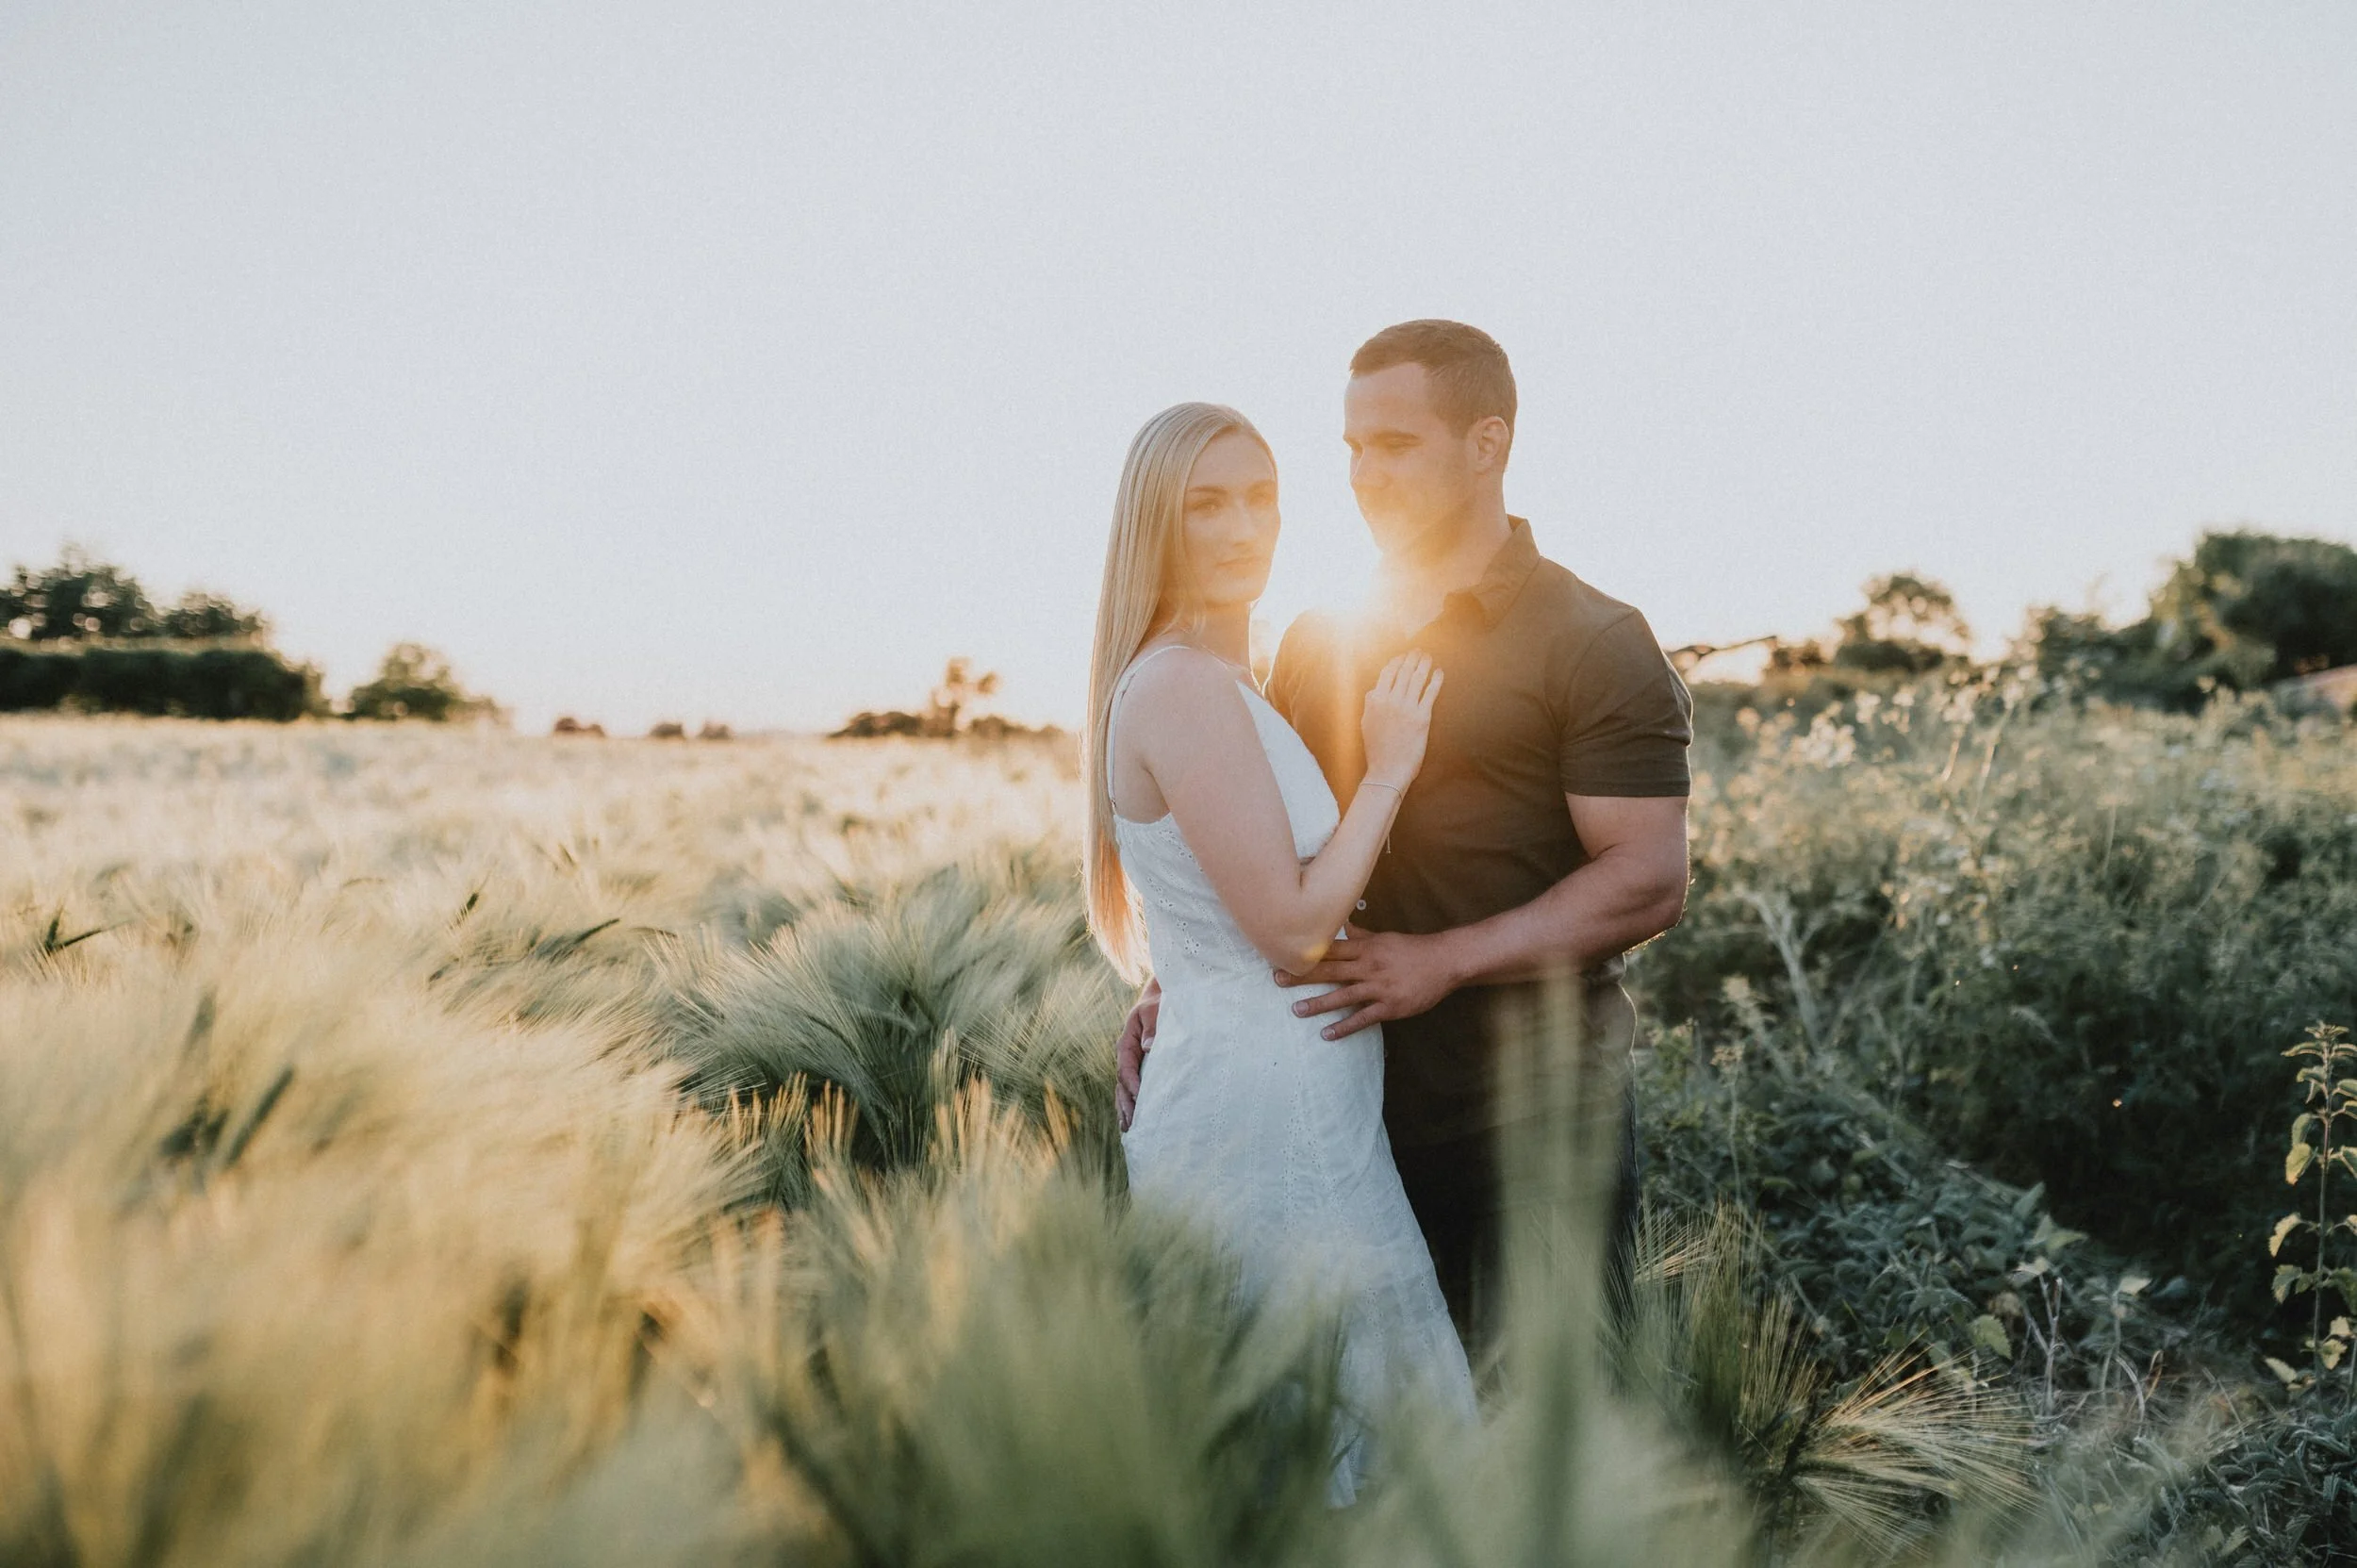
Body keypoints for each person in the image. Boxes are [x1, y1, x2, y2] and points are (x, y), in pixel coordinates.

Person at [1115, 322, 1692, 1356]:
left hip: (1528, 1117)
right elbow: (1259, 841)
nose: (1363, 476)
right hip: (1345, 1106)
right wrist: (1182, 982)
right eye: (1351, 449)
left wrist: (1442, 960)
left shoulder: (1593, 640)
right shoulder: (1320, 637)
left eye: (1395, 445)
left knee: (1543, 1419)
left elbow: (1647, 876)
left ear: (1487, 443)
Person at [1086, 400, 1478, 1505]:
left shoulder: (1217, 681)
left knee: (1331, 1417)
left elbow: (1218, 898)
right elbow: (1294, 929)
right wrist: (1389, 770)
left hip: (1282, 1083)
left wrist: (1171, 979)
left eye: (1260, 498)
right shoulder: (1179, 684)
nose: (1244, 527)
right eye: (1206, 504)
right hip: (1258, 1106)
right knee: (1315, 1433)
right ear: (1154, 523)